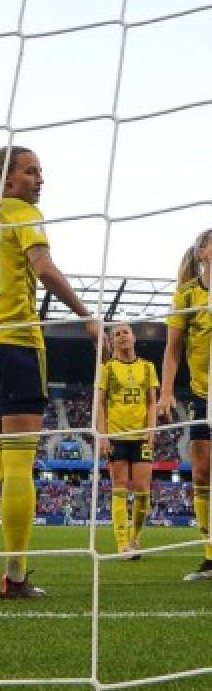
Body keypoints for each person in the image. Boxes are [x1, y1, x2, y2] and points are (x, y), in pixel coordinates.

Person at [0, 146, 100, 600]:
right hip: (15, 345)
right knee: (18, 463)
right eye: (31, 171)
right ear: (8, 180)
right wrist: (86, 315)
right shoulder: (23, 212)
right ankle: (17, 575)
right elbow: (43, 267)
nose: (40, 179)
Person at [159, 229, 212, 581]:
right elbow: (173, 350)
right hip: (203, 395)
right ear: (203, 253)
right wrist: (165, 392)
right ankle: (210, 555)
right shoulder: (188, 295)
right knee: (203, 472)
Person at [95, 323, 158, 559]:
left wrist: (151, 428)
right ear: (112, 342)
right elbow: (99, 403)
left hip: (141, 435)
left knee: (143, 491)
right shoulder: (108, 369)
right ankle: (122, 544)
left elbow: (152, 401)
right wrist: (102, 435)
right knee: (119, 486)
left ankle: (135, 537)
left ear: (134, 338)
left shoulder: (148, 367)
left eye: (125, 333)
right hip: (117, 435)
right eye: (117, 334)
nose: (122, 337)